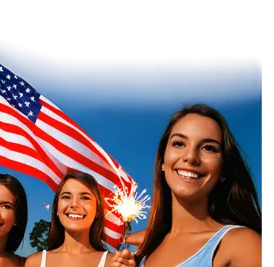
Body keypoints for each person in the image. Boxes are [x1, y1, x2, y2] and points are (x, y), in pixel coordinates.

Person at [128, 103, 263, 266]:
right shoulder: (142, 252)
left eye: (208, 148)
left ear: (222, 170)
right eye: (179, 143)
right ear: (162, 161)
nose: (191, 157)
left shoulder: (241, 244)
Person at [24, 171, 135, 267]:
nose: (74, 204)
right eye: (66, 197)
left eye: (85, 198)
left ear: (97, 211)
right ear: (57, 209)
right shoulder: (34, 263)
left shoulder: (114, 263)